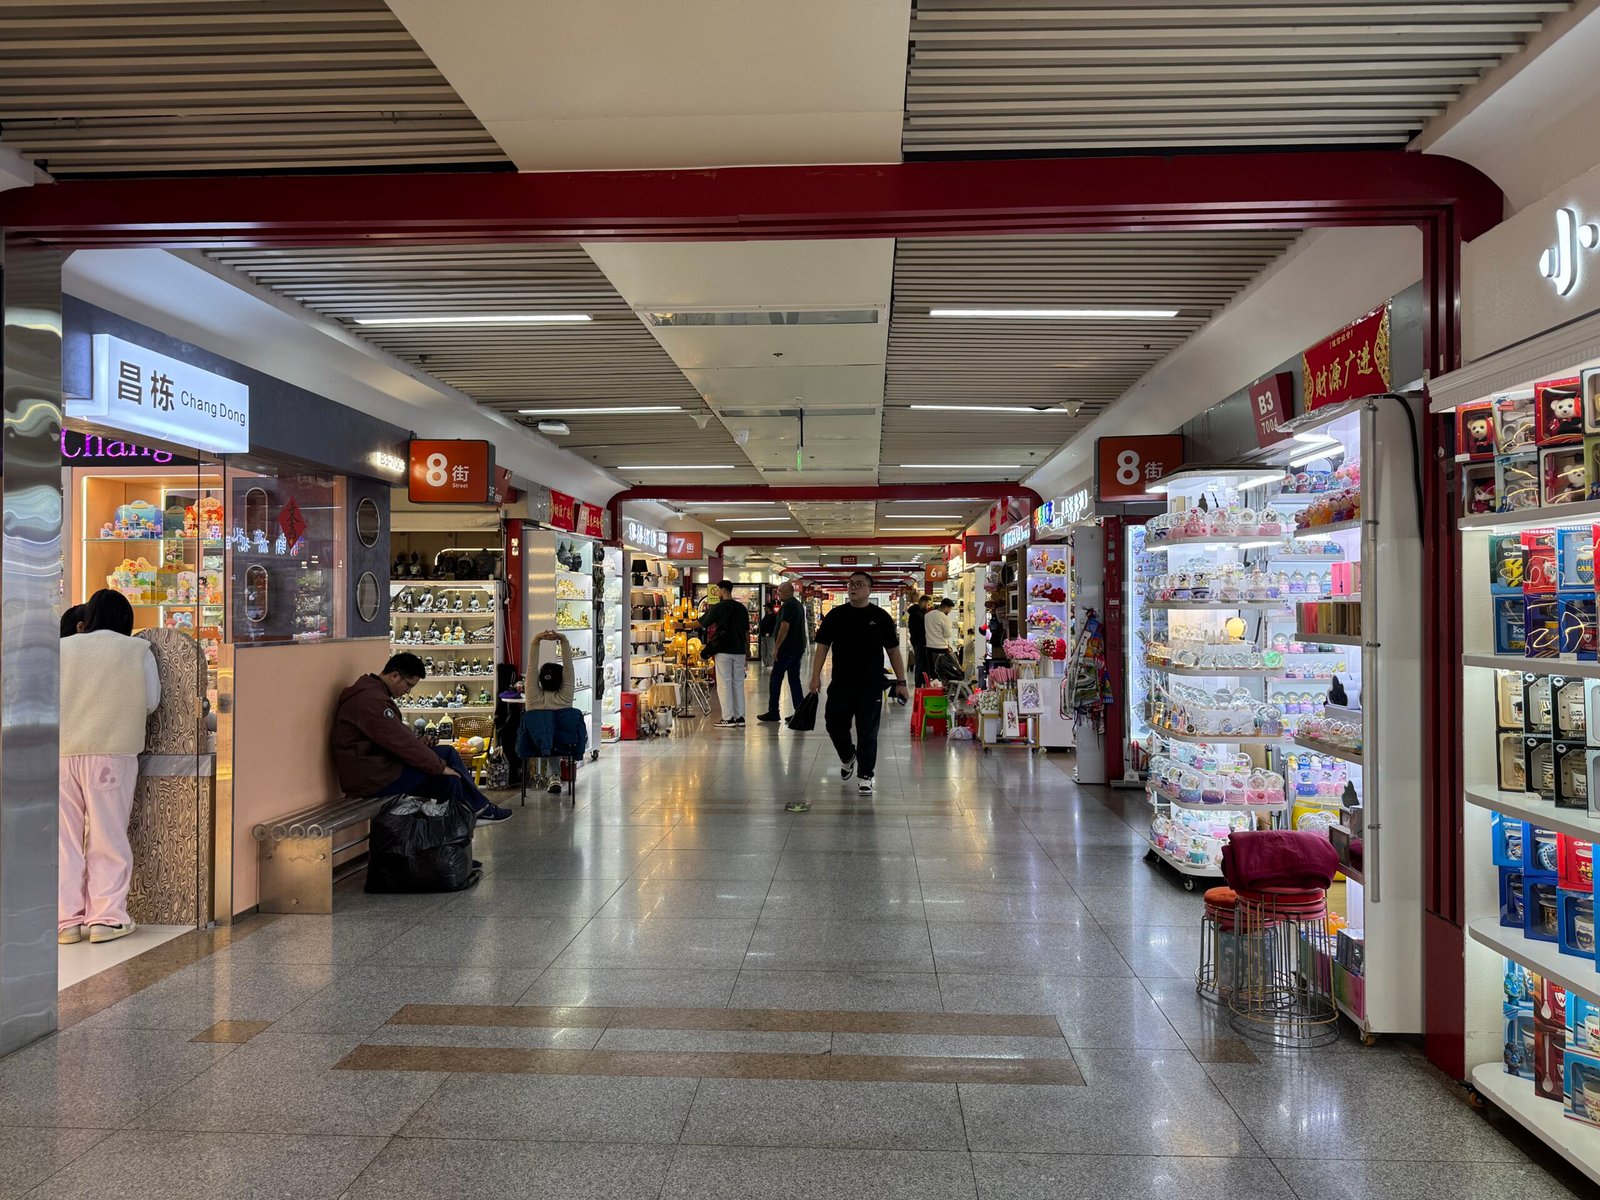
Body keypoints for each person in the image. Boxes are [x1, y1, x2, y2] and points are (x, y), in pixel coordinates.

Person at [58, 588, 161, 945]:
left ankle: (65, 921)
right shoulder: (136, 651)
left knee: (64, 838)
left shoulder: (60, 647)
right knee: (107, 833)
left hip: (61, 752)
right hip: (112, 752)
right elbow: (150, 701)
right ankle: (106, 918)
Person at [331, 651, 512, 825]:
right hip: (371, 778)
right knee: (448, 769)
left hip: (379, 769)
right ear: (395, 676)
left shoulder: (372, 695)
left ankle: (469, 819)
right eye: (408, 685)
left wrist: (421, 745)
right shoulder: (371, 701)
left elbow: (394, 739)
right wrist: (440, 767)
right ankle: (476, 812)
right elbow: (401, 743)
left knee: (449, 773)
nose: (408, 691)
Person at [807, 570, 910, 796]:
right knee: (833, 724)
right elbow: (822, 647)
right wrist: (814, 676)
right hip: (841, 683)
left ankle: (865, 775)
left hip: (870, 684)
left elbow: (893, 651)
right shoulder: (835, 616)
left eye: (859, 584)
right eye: (851, 584)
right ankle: (847, 756)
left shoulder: (881, 617)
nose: (853, 587)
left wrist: (902, 682)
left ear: (869, 590)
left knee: (867, 732)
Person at [524, 630, 575, 793]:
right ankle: (554, 775)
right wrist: (563, 640)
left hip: (530, 744)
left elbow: (531, 667)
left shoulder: (532, 696)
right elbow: (569, 667)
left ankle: (537, 775)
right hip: (563, 743)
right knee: (555, 734)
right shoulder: (566, 697)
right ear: (562, 680)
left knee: (546, 733)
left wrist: (536, 640)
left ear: (539, 679)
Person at [757, 580, 808, 723]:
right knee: (794, 680)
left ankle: (774, 711)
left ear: (787, 592)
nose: (777, 594)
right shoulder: (797, 605)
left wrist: (777, 647)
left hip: (787, 649)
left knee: (775, 679)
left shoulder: (788, 606)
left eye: (779, 591)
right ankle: (800, 712)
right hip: (797, 648)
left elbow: (784, 627)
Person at [704, 580, 751, 728]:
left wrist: (683, 625)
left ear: (723, 590)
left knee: (724, 684)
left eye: (718, 590)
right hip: (739, 651)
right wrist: (747, 649)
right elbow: (746, 631)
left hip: (723, 651)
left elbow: (703, 622)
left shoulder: (719, 607)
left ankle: (728, 718)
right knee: (738, 683)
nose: (717, 592)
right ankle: (740, 717)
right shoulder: (741, 608)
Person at [925, 596, 956, 680]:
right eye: (950, 609)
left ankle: (932, 686)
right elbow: (947, 634)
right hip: (941, 647)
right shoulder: (944, 618)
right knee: (942, 671)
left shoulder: (927, 615)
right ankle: (941, 687)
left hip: (929, 646)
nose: (949, 611)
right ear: (946, 607)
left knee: (932, 670)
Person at [907, 593, 931, 685]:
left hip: (918, 641)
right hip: (919, 642)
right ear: (923, 602)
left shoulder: (917, 613)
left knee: (921, 662)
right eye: (927, 604)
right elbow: (918, 629)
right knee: (920, 662)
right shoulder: (917, 614)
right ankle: (918, 683)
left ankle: (922, 681)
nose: (928, 606)